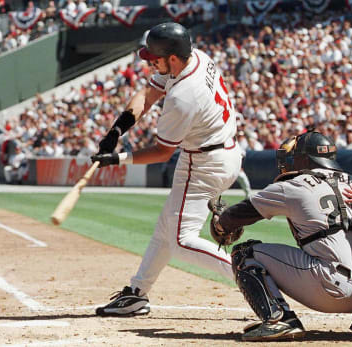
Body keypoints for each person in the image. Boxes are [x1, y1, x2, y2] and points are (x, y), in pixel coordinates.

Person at [91, 22, 242, 316]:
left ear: (172, 57)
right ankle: (137, 293)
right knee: (165, 228)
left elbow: (162, 152)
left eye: (154, 57)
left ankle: (252, 270)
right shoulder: (194, 58)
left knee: (180, 240)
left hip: (205, 162)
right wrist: (117, 130)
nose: (150, 62)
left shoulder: (184, 95)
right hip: (215, 152)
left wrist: (119, 160)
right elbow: (148, 95)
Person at [208, 130, 352, 341]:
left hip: (329, 289)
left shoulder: (294, 184)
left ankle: (279, 318)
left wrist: (219, 225)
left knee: (244, 253)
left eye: (293, 157)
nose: (288, 162)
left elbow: (236, 216)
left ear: (303, 158)